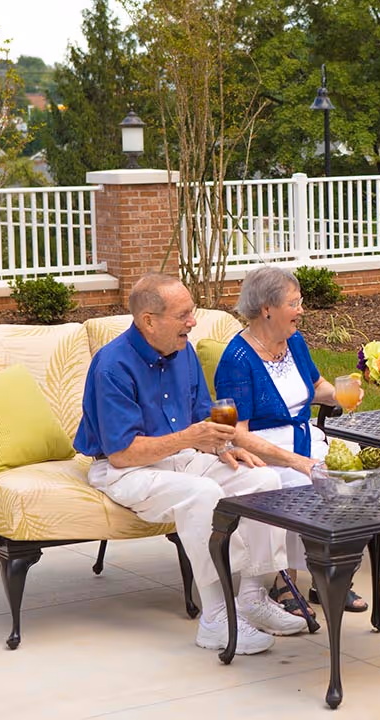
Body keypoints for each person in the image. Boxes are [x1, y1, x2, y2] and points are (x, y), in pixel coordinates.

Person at [74, 273, 307, 655]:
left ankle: (253, 595)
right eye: (183, 315)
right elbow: (122, 453)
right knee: (203, 493)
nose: (192, 322)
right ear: (149, 320)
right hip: (125, 471)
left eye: (192, 312)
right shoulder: (112, 366)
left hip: (181, 458)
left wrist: (220, 449)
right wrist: (191, 440)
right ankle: (215, 616)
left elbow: (203, 416)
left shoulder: (183, 352)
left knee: (262, 480)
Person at [214, 265, 368, 614]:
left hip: (305, 438)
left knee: (349, 482)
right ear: (267, 308)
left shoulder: (294, 342)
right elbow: (238, 432)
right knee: (300, 482)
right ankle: (286, 580)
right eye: (294, 303)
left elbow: (315, 388)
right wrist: (295, 461)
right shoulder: (237, 359)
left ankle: (331, 573)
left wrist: (339, 395)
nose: (301, 311)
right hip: (265, 449)